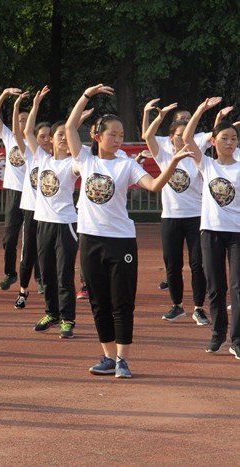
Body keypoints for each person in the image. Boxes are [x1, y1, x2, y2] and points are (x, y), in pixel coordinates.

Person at [65, 84, 192, 378]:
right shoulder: (85, 159)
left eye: (121, 135)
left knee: (122, 302)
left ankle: (123, 359)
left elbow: (155, 186)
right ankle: (108, 357)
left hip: (120, 241)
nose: (118, 139)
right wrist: (86, 94)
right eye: (113, 134)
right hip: (90, 238)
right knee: (98, 301)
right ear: (97, 136)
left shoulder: (126, 165)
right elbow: (71, 126)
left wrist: (171, 162)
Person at [182, 96, 240, 358]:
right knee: (216, 287)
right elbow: (187, 138)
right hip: (211, 232)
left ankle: (236, 340)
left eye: (233, 138)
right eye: (224, 138)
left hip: (237, 234)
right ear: (214, 142)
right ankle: (218, 334)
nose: (229, 142)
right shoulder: (206, 164)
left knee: (238, 287)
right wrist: (201, 109)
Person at [143, 100, 209, 325]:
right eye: (179, 134)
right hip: (171, 218)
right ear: (171, 137)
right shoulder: (164, 156)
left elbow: (215, 135)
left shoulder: (196, 157)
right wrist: (158, 116)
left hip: (196, 217)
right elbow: (148, 136)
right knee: (173, 264)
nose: (183, 138)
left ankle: (199, 308)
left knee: (198, 264)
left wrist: (208, 114)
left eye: (186, 134)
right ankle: (177, 306)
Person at [23, 86, 79, 338]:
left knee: (64, 273)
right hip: (42, 222)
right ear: (52, 139)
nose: (62, 139)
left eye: (66, 135)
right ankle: (51, 313)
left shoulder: (74, 163)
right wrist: (35, 105)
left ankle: (68, 318)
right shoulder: (42, 159)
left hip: (65, 223)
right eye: (58, 135)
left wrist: (75, 124)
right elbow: (26, 131)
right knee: (46, 273)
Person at [0, 88, 30, 290]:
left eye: (26, 120)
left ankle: (39, 278)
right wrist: (5, 94)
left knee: (34, 240)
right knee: (9, 238)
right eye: (20, 119)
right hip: (14, 193)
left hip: (33, 195)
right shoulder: (9, 137)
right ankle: (10, 273)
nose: (22, 123)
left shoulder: (35, 142)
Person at [10, 92, 44, 309]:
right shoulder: (31, 155)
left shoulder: (61, 159)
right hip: (31, 210)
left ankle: (48, 285)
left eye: (49, 136)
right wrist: (35, 105)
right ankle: (23, 291)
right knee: (28, 253)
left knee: (49, 253)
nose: (45, 139)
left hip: (51, 214)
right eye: (41, 136)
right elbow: (19, 131)